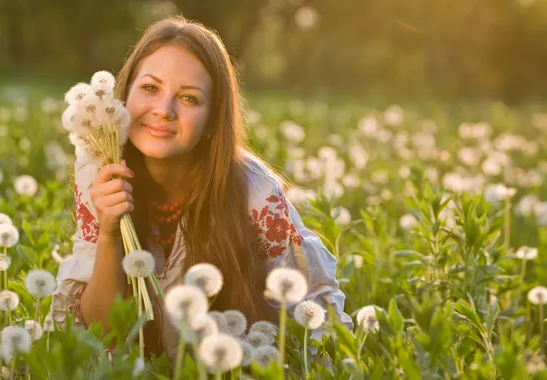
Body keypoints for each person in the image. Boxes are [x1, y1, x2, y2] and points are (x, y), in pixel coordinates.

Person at [51, 15, 353, 360]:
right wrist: (108, 232)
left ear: (213, 117)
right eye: (150, 88)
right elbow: (102, 333)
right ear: (124, 96)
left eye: (189, 98)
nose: (163, 110)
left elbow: (311, 315)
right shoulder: (100, 171)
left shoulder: (254, 192)